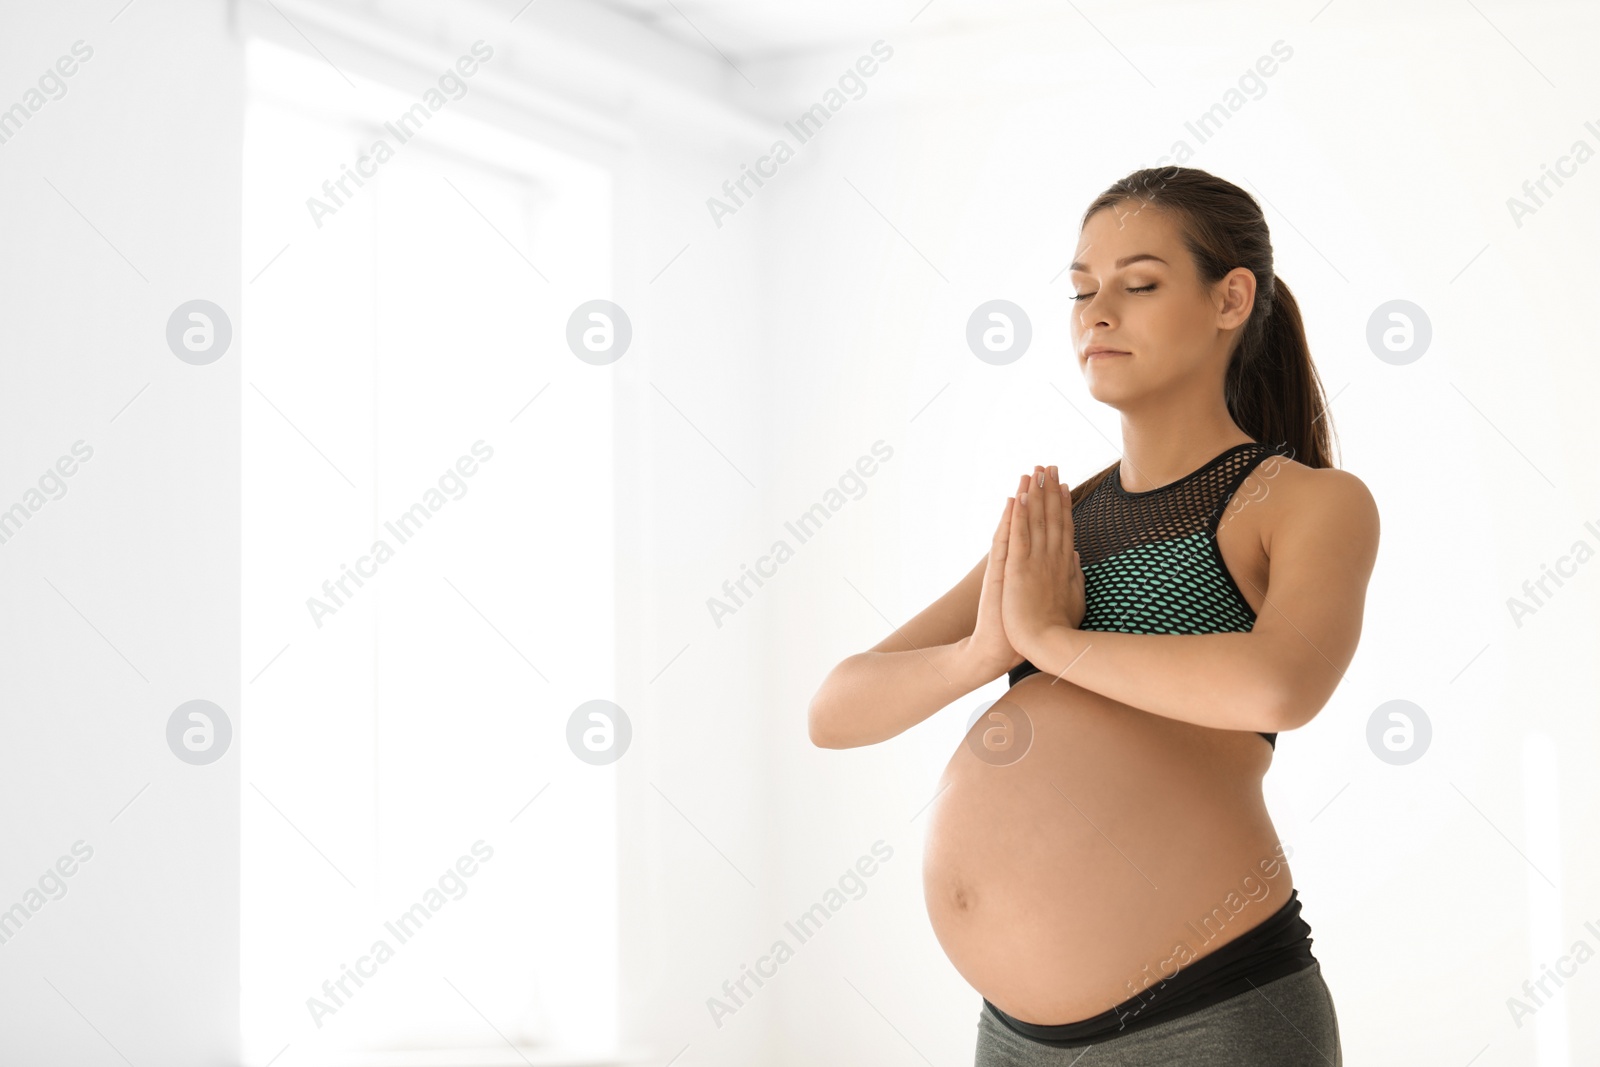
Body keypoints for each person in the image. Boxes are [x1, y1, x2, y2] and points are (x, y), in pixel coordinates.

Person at [808, 166, 1380, 1065]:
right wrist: (985, 651)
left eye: (1138, 284)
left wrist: (1051, 642)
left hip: (1209, 1016)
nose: (1096, 313)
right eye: (1081, 290)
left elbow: (1283, 681)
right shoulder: (1060, 521)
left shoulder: (1298, 500)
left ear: (1232, 298)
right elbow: (834, 711)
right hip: (1016, 1037)